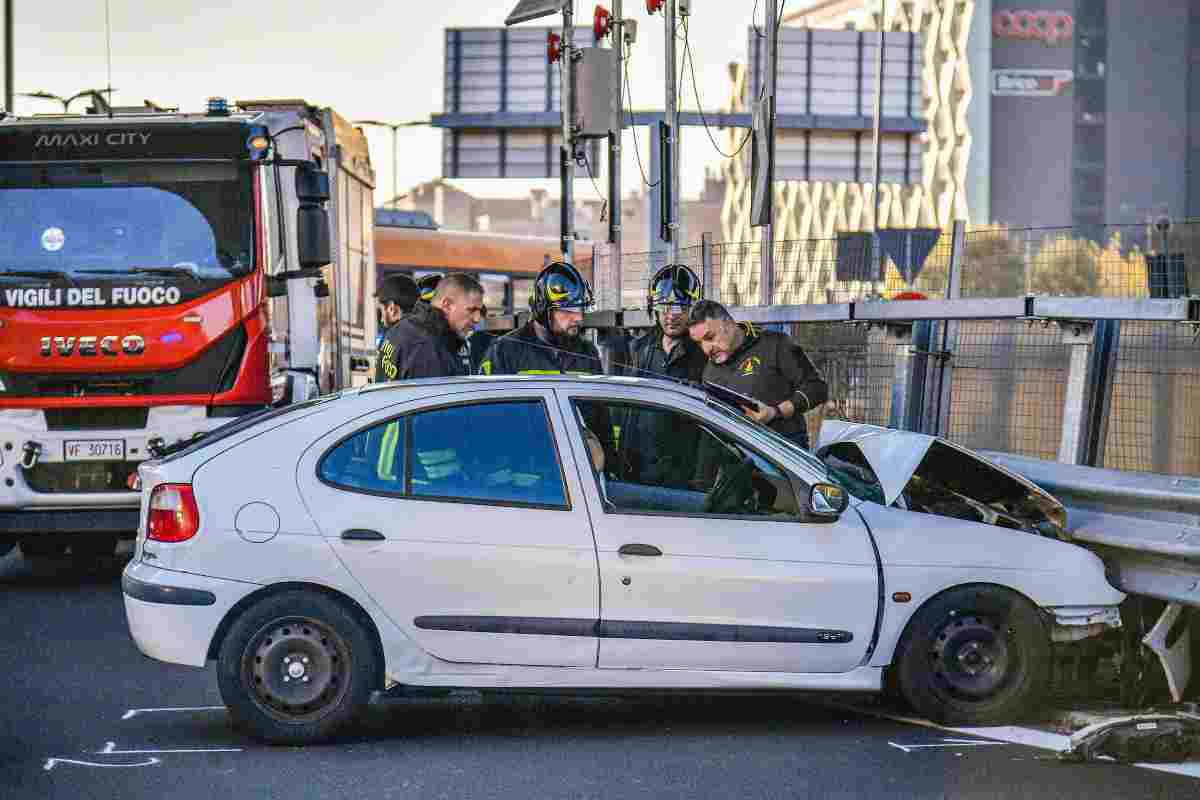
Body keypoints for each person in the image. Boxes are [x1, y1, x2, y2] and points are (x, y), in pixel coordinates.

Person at [687, 299, 828, 450]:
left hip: (785, 456)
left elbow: (817, 389)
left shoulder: (774, 344)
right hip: (739, 463)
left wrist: (776, 412)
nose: (707, 348)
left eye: (710, 337)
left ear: (727, 322)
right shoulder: (709, 372)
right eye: (699, 343)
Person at [615, 264, 709, 487]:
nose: (671, 316)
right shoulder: (638, 349)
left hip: (684, 479)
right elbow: (626, 414)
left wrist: (701, 479)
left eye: (680, 308)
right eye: (664, 308)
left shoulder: (705, 354)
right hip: (637, 473)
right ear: (653, 309)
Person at [478, 261, 602, 377]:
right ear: (543, 311)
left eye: (580, 309)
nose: (578, 318)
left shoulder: (588, 353)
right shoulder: (503, 351)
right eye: (568, 310)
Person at [376, 272, 485, 381]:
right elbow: (434, 397)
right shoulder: (428, 348)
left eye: (479, 311)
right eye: (471, 310)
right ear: (447, 305)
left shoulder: (404, 327)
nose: (477, 319)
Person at [373, 274, 420, 378]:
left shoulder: (392, 336)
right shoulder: (423, 337)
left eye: (380, 311)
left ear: (391, 308)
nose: (381, 320)